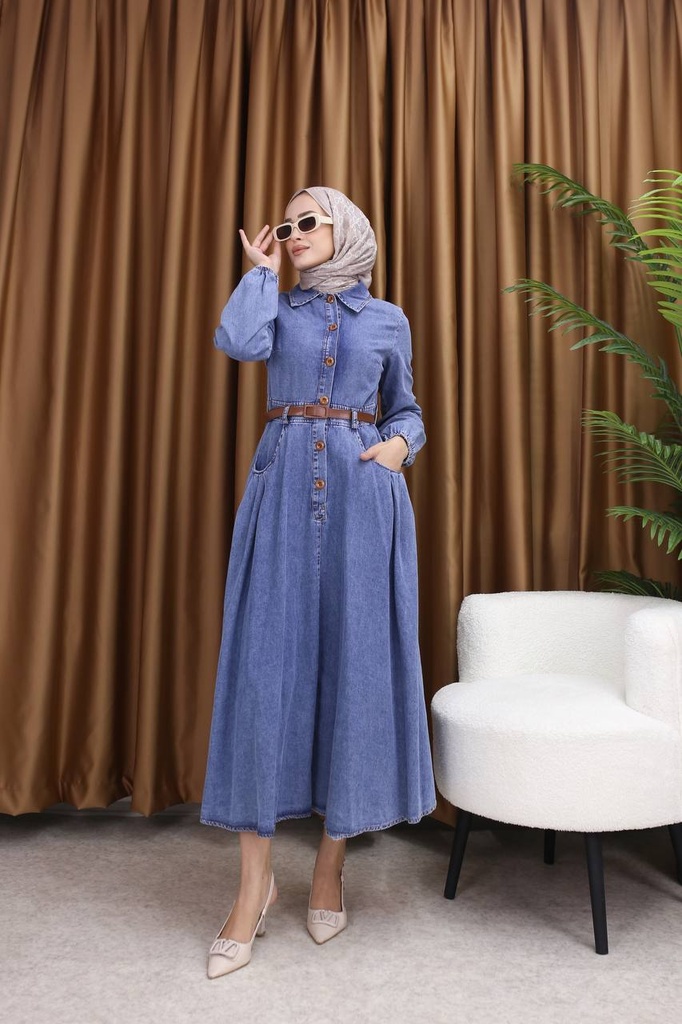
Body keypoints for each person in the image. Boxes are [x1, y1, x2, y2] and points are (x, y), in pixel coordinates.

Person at [200, 186, 436, 978]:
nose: (295, 232)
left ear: (346, 229)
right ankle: (253, 888)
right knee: (262, 678)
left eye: (309, 222)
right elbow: (236, 341)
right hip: (280, 494)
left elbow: (406, 411)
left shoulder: (387, 319)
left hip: (364, 501)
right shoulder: (276, 306)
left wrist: (399, 447)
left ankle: (331, 867)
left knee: (353, 674)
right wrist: (261, 271)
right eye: (287, 224)